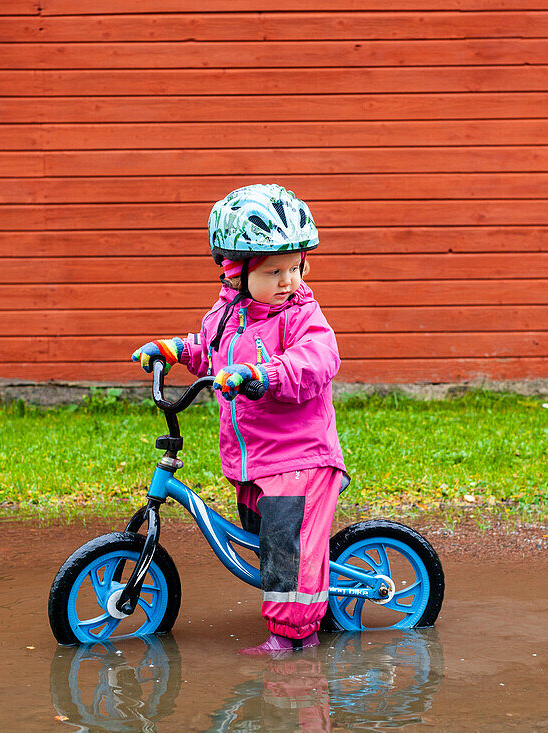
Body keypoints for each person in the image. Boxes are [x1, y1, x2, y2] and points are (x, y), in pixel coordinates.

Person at [131, 183, 347, 656]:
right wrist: (174, 350)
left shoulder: (301, 315)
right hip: (255, 459)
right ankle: (294, 610)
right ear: (234, 272)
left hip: (299, 457)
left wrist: (261, 376)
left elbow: (317, 361)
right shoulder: (228, 313)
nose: (288, 280)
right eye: (274, 271)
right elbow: (211, 353)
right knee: (265, 540)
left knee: (287, 553)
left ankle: (294, 638)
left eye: (296, 267)